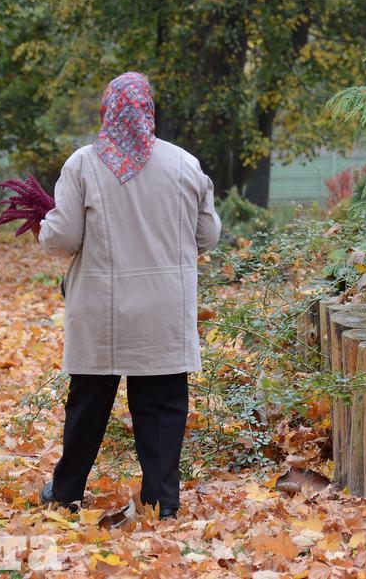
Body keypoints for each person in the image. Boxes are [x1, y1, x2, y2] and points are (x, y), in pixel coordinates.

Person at [35, 72, 221, 519]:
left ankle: (67, 493)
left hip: (101, 308)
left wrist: (45, 226)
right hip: (164, 308)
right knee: (161, 406)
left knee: (88, 403)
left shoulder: (83, 164)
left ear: (106, 112)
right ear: (149, 111)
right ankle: (162, 502)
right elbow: (208, 235)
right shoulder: (184, 164)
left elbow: (63, 238)